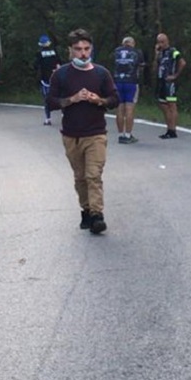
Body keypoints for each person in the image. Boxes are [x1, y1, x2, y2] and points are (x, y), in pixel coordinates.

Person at [45, 29, 119, 235]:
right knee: (80, 177)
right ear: (70, 51)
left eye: (86, 49)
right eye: (78, 49)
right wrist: (72, 99)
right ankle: (86, 210)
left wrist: (99, 100)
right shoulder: (61, 75)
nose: (83, 53)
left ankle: (97, 215)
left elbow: (114, 99)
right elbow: (50, 102)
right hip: (71, 135)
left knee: (93, 175)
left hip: (95, 133)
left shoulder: (101, 73)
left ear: (91, 49)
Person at [112, 36, 144, 143]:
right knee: (129, 108)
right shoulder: (136, 52)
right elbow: (141, 65)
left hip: (118, 81)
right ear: (133, 43)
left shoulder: (116, 52)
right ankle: (128, 135)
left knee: (120, 108)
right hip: (131, 82)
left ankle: (121, 135)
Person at [154, 32, 185, 139]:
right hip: (161, 81)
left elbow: (182, 62)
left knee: (172, 105)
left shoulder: (173, 51)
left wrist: (175, 75)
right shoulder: (160, 53)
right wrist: (156, 54)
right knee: (162, 104)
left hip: (169, 82)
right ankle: (169, 128)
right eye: (159, 42)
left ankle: (172, 130)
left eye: (163, 42)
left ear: (167, 41)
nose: (161, 44)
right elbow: (155, 67)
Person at [35, 34, 60, 126]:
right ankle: (64, 115)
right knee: (60, 97)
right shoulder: (54, 51)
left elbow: (36, 65)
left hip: (45, 79)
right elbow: (59, 64)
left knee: (47, 99)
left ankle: (48, 119)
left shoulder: (39, 53)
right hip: (56, 78)